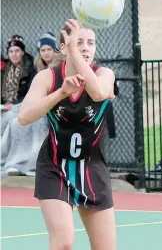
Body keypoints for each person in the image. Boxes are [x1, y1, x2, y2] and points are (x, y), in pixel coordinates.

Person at [18, 19, 116, 250]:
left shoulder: (104, 74)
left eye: (90, 43)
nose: (85, 48)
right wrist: (61, 93)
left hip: (92, 168)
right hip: (54, 167)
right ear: (63, 48)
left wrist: (75, 52)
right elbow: (24, 116)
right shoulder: (48, 78)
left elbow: (99, 92)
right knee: (63, 242)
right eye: (78, 42)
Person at [0, 35, 47, 176]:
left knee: (9, 120)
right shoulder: (3, 71)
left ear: (23, 52)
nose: (14, 55)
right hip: (4, 107)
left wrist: (12, 106)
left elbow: (30, 95)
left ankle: (10, 162)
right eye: (11, 51)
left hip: (21, 107)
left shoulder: (31, 69)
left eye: (17, 51)